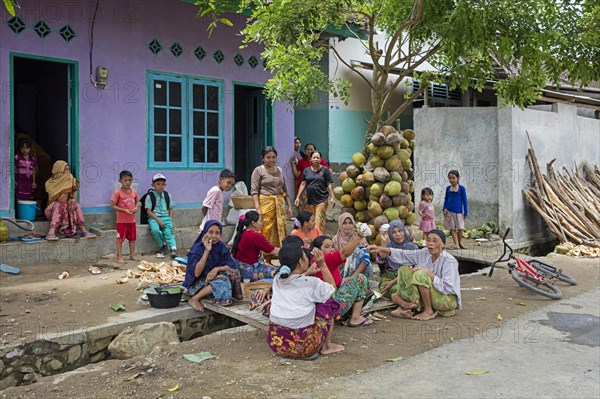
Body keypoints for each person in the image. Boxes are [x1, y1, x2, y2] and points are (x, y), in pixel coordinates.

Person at [264, 237, 344, 359]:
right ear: (301, 262)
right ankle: (326, 346)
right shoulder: (311, 283)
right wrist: (322, 265)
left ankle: (290, 347)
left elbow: (294, 281)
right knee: (328, 302)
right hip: (305, 348)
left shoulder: (277, 279)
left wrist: (306, 273)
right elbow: (332, 289)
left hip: (276, 345)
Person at [368, 229, 461, 320]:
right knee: (403, 270)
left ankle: (428, 311)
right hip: (431, 295)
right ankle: (409, 308)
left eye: (435, 241)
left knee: (420, 274)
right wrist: (381, 249)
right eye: (428, 240)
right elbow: (404, 254)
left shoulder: (449, 260)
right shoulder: (424, 252)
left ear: (443, 244)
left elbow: (448, 288)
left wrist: (427, 272)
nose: (430, 243)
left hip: (446, 299)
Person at [312, 226, 373, 327]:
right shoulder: (325, 258)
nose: (331, 249)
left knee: (367, 290)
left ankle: (348, 315)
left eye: (332, 246)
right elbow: (345, 253)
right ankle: (355, 317)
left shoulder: (316, 260)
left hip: (327, 303)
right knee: (360, 278)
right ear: (318, 251)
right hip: (331, 304)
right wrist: (359, 236)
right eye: (327, 247)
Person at [184, 220, 237, 312]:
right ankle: (195, 298)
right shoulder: (197, 249)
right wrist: (207, 250)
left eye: (217, 233)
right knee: (223, 280)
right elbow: (196, 274)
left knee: (234, 273)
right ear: (205, 233)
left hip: (212, 280)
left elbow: (232, 265)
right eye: (210, 232)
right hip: (195, 285)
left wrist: (216, 269)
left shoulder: (221, 247)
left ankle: (215, 294)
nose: (214, 236)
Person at [251, 146, 293, 249]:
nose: (271, 160)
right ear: (263, 158)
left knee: (279, 230)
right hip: (265, 203)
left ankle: (276, 255)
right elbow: (254, 191)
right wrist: (258, 208)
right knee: (265, 229)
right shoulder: (258, 170)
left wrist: (289, 206)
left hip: (279, 205)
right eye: (268, 157)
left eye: (273, 157)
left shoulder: (279, 170)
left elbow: (285, 189)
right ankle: (264, 255)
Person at [44, 161, 96, 241]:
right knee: (60, 204)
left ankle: (83, 230)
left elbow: (74, 198)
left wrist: (69, 184)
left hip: (67, 208)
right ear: (58, 170)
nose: (68, 172)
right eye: (66, 170)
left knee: (75, 204)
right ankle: (51, 232)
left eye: (69, 169)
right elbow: (60, 199)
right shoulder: (49, 183)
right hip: (52, 210)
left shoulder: (71, 180)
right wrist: (56, 201)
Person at [231, 210, 280, 281]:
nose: (262, 223)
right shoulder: (255, 236)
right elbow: (274, 251)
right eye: (260, 221)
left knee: (272, 267)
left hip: (241, 269)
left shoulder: (243, 232)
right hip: (250, 272)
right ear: (253, 223)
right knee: (279, 273)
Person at [375, 220, 418, 299]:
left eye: (400, 231)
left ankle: (403, 305)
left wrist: (394, 281)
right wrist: (384, 242)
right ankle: (404, 304)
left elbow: (414, 269)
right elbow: (380, 261)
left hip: (407, 277)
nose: (398, 234)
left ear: (404, 231)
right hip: (388, 278)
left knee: (412, 289)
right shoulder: (386, 246)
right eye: (394, 232)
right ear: (390, 234)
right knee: (393, 289)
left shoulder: (412, 247)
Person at [295, 151, 335, 232]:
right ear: (310, 159)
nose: (316, 159)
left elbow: (329, 183)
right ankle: (312, 238)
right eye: (314, 157)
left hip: (322, 199)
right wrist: (297, 197)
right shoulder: (306, 170)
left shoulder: (325, 170)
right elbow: (303, 183)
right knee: (311, 221)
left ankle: (319, 239)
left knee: (319, 221)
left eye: (318, 157)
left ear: (321, 159)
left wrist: (332, 197)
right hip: (310, 200)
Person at [145, 173, 178, 258]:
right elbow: (148, 211)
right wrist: (158, 220)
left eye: (162, 184)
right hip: (154, 218)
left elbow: (171, 208)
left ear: (165, 185)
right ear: (153, 185)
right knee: (155, 230)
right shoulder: (150, 196)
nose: (160, 186)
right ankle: (162, 245)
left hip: (166, 218)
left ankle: (173, 249)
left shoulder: (167, 195)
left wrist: (169, 219)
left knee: (168, 232)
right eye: (158, 184)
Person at [110, 170, 139, 264]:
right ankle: (119, 257)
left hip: (132, 221)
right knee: (120, 239)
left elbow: (138, 202)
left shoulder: (134, 192)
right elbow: (113, 205)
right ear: (120, 181)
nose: (127, 182)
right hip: (121, 221)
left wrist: (136, 208)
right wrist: (124, 210)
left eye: (130, 180)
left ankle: (132, 255)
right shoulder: (117, 193)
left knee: (132, 239)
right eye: (125, 180)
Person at [293, 143, 329, 210]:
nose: (309, 151)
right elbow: (297, 174)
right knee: (306, 207)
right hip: (305, 188)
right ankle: (307, 219)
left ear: (315, 150)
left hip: (317, 188)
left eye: (311, 149)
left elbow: (329, 172)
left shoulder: (320, 162)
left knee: (317, 207)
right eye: (307, 149)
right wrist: (293, 165)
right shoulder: (302, 162)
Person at [443, 170, 468, 249]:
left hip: (459, 212)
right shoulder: (448, 188)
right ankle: (456, 243)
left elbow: (465, 200)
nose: (452, 180)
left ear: (458, 178)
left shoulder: (461, 189)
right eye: (450, 178)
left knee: (460, 228)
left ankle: (460, 242)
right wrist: (444, 208)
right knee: (452, 228)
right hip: (449, 211)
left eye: (453, 178)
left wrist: (466, 212)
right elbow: (446, 199)